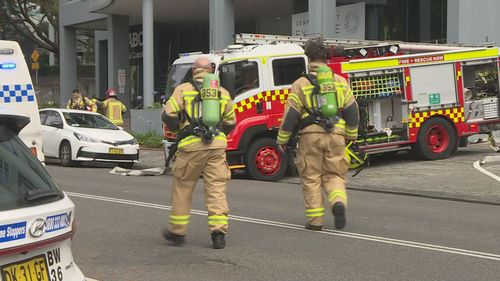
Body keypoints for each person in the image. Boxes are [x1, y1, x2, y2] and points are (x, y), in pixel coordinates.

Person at [276, 38, 359, 231]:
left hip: (310, 135)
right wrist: (351, 136)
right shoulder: (339, 81)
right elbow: (352, 111)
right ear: (326, 58)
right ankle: (338, 202)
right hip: (337, 133)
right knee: (335, 174)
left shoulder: (300, 84)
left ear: (308, 57)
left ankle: (315, 221)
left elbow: (291, 116)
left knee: (311, 177)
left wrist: (282, 140)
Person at [160, 56, 236, 249]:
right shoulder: (222, 92)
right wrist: (217, 136)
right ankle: (218, 233)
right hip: (217, 146)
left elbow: (168, 114)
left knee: (183, 187)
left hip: (192, 146)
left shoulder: (183, 90)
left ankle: (177, 232)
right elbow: (230, 122)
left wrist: (181, 130)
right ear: (210, 70)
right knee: (216, 189)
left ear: (194, 71)